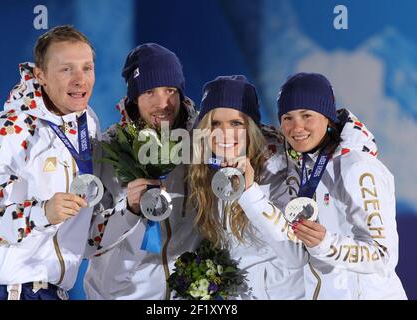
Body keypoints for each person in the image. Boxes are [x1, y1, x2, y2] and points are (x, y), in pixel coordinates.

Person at [238, 72, 407, 299]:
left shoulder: (358, 167)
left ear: (327, 117)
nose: (296, 127)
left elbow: (382, 255)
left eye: (306, 115)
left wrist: (327, 243)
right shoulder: (304, 164)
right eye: (287, 118)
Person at [0, 25, 100, 300]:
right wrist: (40, 213)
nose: (80, 80)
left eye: (87, 68)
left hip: (52, 291)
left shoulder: (88, 123)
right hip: (1, 290)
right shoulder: (10, 130)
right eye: (66, 69)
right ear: (40, 75)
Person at [84, 43, 201, 299]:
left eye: (170, 90)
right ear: (134, 99)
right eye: (150, 91)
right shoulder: (108, 149)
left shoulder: (202, 141)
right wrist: (129, 211)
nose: (163, 103)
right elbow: (88, 239)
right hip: (122, 295)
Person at [189, 75, 305, 299]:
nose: (224, 133)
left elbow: (296, 255)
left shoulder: (280, 167)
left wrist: (250, 191)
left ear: (251, 127)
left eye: (235, 123)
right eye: (215, 123)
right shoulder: (205, 169)